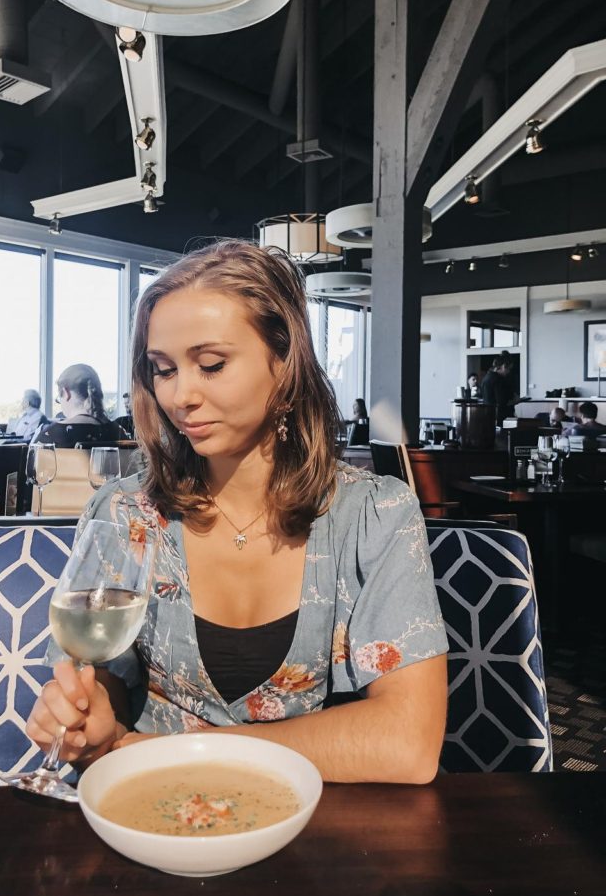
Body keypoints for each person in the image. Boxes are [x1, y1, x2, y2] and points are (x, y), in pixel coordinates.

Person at [26, 241, 448, 784]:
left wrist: (155, 751)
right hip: (146, 811)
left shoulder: (374, 516)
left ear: (284, 361)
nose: (180, 396)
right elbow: (102, 675)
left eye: (211, 364)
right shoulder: (123, 512)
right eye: (163, 369)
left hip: (310, 829)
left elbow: (406, 743)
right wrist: (90, 715)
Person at [480, 352, 517, 426]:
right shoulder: (498, 379)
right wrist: (515, 400)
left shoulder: (486, 378)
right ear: (503, 366)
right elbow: (501, 401)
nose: (508, 372)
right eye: (509, 369)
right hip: (501, 418)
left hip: (489, 417)